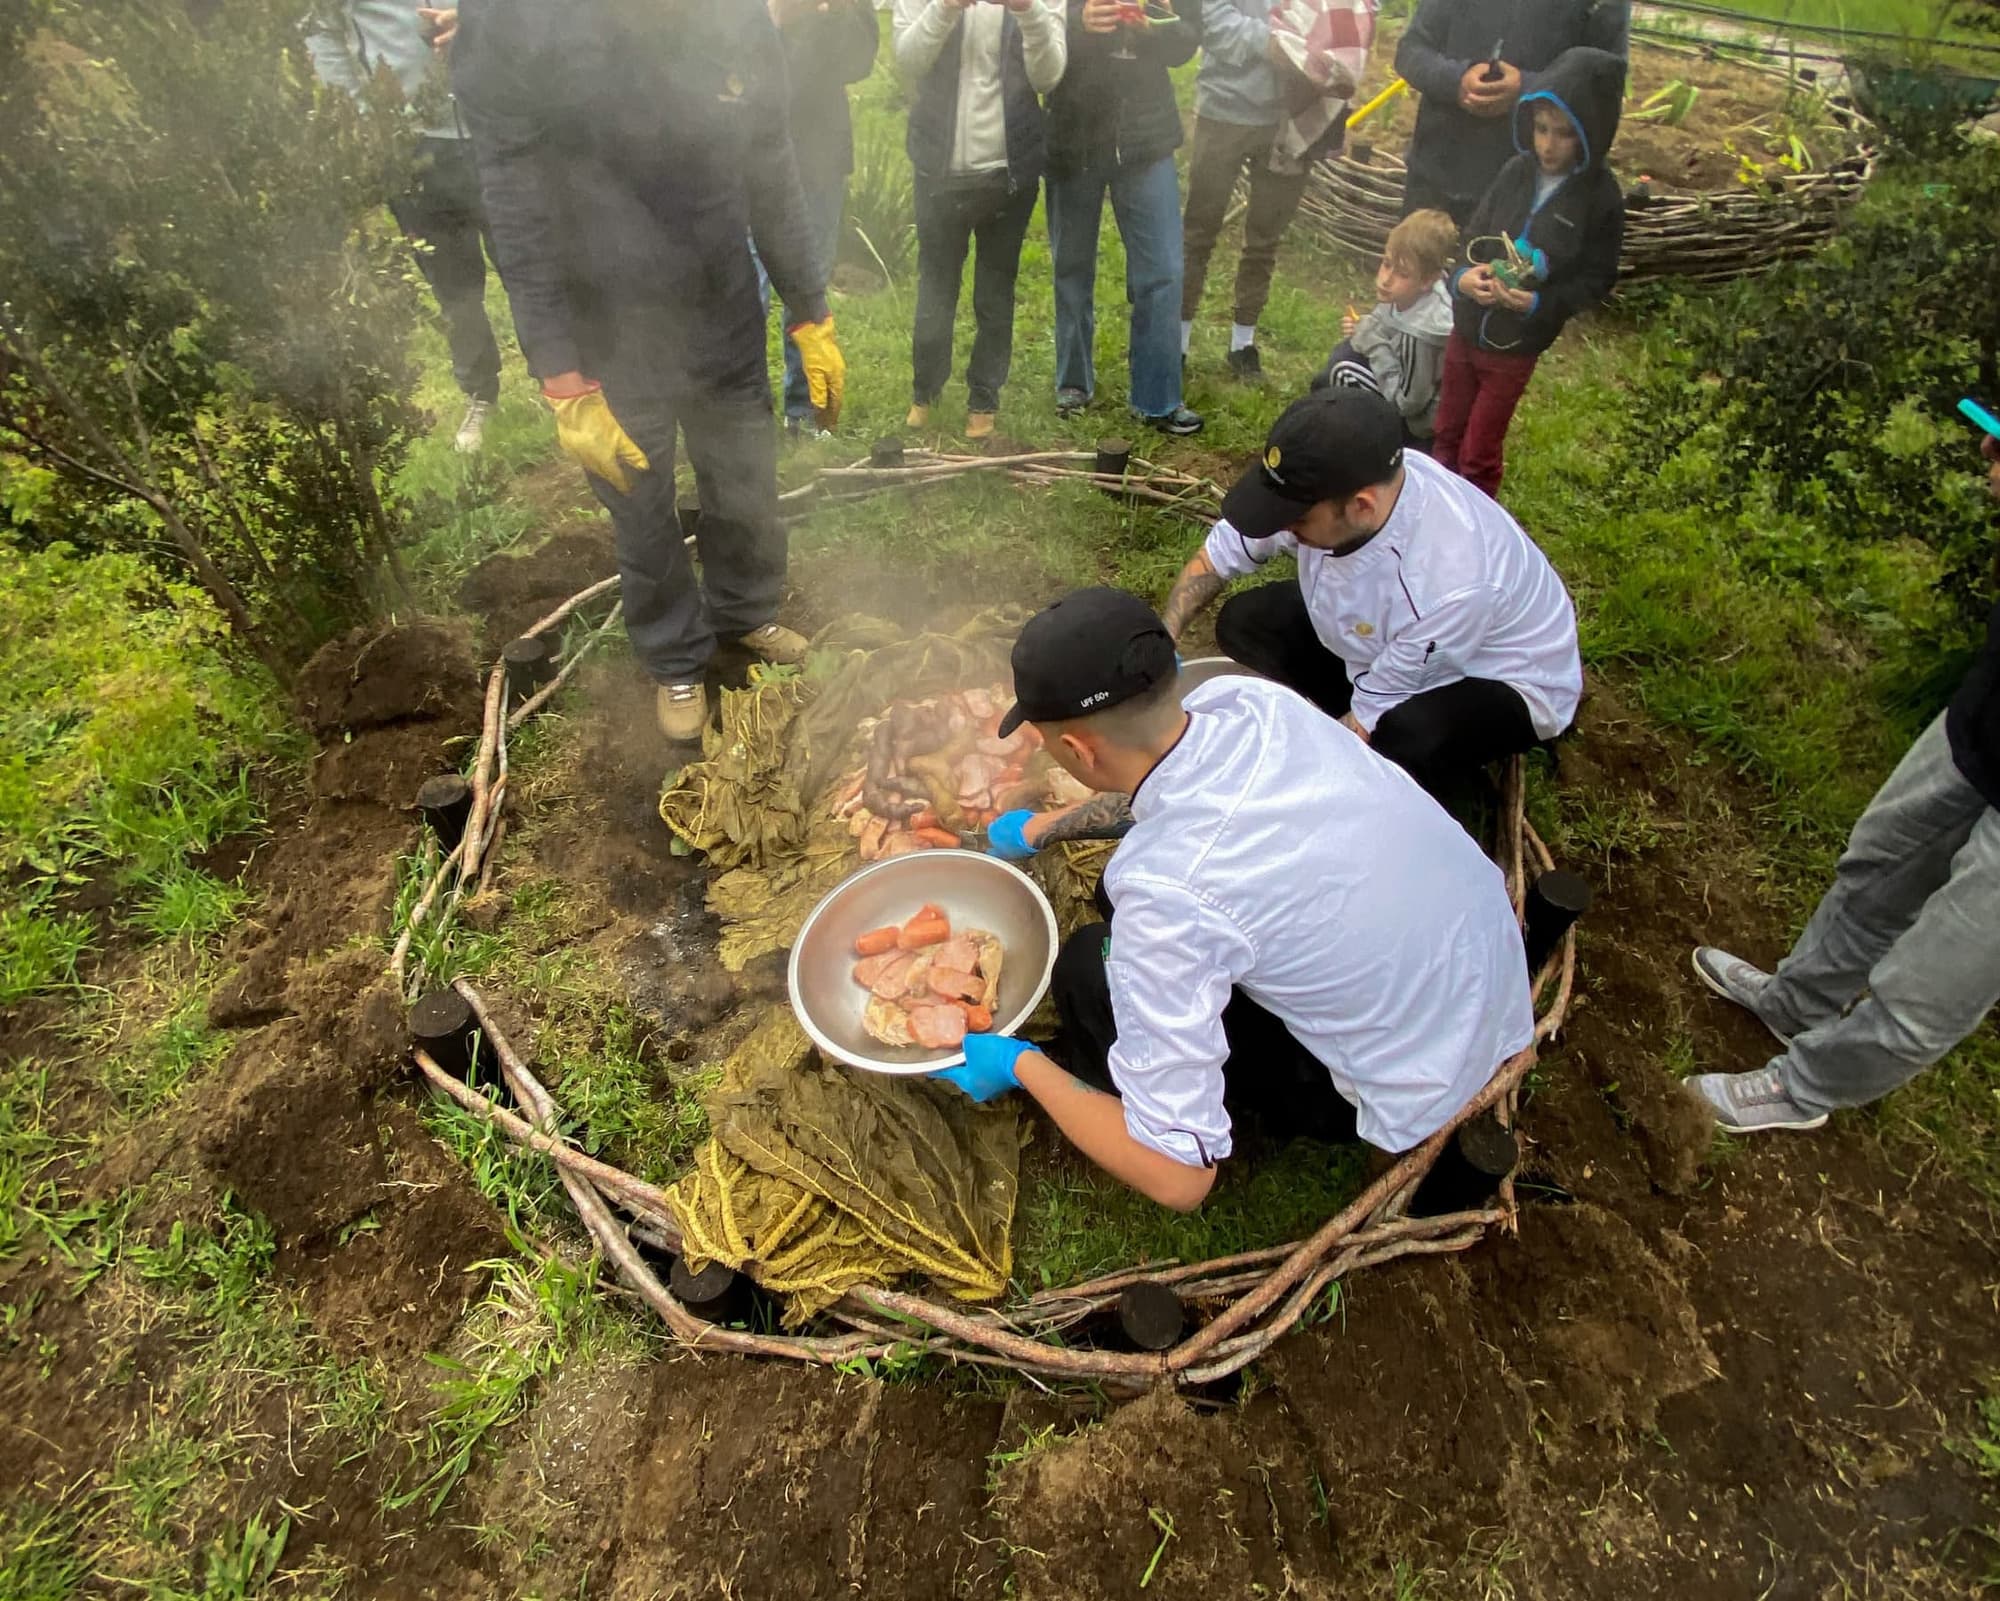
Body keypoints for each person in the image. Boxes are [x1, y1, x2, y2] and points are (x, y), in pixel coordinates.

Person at [939, 588, 1534, 1210]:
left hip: (1409, 1081)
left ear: (1078, 751)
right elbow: (1163, 780)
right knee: (1129, 917)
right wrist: (1040, 828)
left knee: (1090, 966)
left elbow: (1181, 1182)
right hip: (1486, 976)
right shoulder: (1250, 702)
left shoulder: (1166, 893)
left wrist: (1018, 1064)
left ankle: (1208, 1110)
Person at [452, 0, 844, 746]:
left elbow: (769, 156)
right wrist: (559, 372)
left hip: (719, 290)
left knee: (744, 472)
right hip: (604, 319)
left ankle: (744, 608)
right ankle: (674, 656)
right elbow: (514, 198)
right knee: (639, 500)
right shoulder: (516, 22)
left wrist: (809, 307)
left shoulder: (732, 18)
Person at [1686, 429, 2000, 1134]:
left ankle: (1804, 1087)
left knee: (1930, 986)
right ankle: (1795, 1001)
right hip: (1982, 725)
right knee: (1876, 865)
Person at [1153, 387, 1580, 801]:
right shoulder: (1357, 475)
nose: (1281, 528)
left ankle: (1435, 788)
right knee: (1246, 621)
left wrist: (1271, 784)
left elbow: (1374, 707)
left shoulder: (1448, 584)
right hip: (1399, 640)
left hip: (1497, 674)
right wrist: (1165, 634)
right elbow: (1219, 556)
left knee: (1406, 736)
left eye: (1295, 520)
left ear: (1362, 506)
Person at [306, 2, 503, 454]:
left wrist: (479, 23)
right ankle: (480, 394)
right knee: (453, 287)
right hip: (411, 143)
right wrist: (369, 119)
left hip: (493, 120)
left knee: (527, 264)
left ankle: (561, 384)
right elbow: (322, 35)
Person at [1433, 47, 1624, 500]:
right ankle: (1432, 518)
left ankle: (1475, 532)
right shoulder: (1516, 172)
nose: (1548, 145)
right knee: (1445, 433)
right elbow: (1474, 235)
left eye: (1563, 134)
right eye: (1541, 129)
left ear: (1590, 135)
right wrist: (1463, 278)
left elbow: (1596, 278)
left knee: (1478, 450)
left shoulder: (1600, 198)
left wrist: (1539, 304)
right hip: (1466, 329)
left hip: (1514, 347)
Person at [894, 0, 1067, 441]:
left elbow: (1049, 75)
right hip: (938, 166)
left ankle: (983, 398)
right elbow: (908, 60)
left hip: (1008, 169)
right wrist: (946, 8)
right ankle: (925, 389)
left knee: (996, 287)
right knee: (936, 281)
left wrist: (1028, 12)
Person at [1178, 0, 1373, 383]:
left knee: (1265, 238)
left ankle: (1242, 345)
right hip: (1227, 109)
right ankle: (1177, 343)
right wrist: (1274, 43)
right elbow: (1214, 20)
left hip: (1294, 115)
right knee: (1198, 231)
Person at [1044, 0, 1204, 437]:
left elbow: (1186, 40)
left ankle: (1157, 398)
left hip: (1146, 135)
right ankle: (1073, 383)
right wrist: (1078, 22)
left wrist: (1159, 25)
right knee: (1071, 264)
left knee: (1164, 271)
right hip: (1073, 132)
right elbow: (1033, 27)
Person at [1393, 0, 1628, 225]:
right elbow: (1411, 49)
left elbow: (1604, 80)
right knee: (1415, 260)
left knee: (1502, 265)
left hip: (1529, 191)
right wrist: (1457, 81)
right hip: (1435, 173)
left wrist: (1527, 89)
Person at [770, 0, 880, 442]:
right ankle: (741, 416)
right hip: (739, 151)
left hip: (818, 157)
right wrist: (778, 18)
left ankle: (803, 412)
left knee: (808, 281)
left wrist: (827, 12)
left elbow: (860, 58)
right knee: (741, 288)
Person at [1311, 207, 1456, 446]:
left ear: (1427, 281)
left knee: (1342, 370)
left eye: (1402, 273)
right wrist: (1366, 328)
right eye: (1386, 263)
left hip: (1414, 429)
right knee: (1342, 357)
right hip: (1397, 386)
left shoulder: (1423, 333)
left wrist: (1373, 342)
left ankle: (1349, 447)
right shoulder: (1406, 295)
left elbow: (1407, 404)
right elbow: (1387, 324)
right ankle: (1323, 423)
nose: (1387, 278)